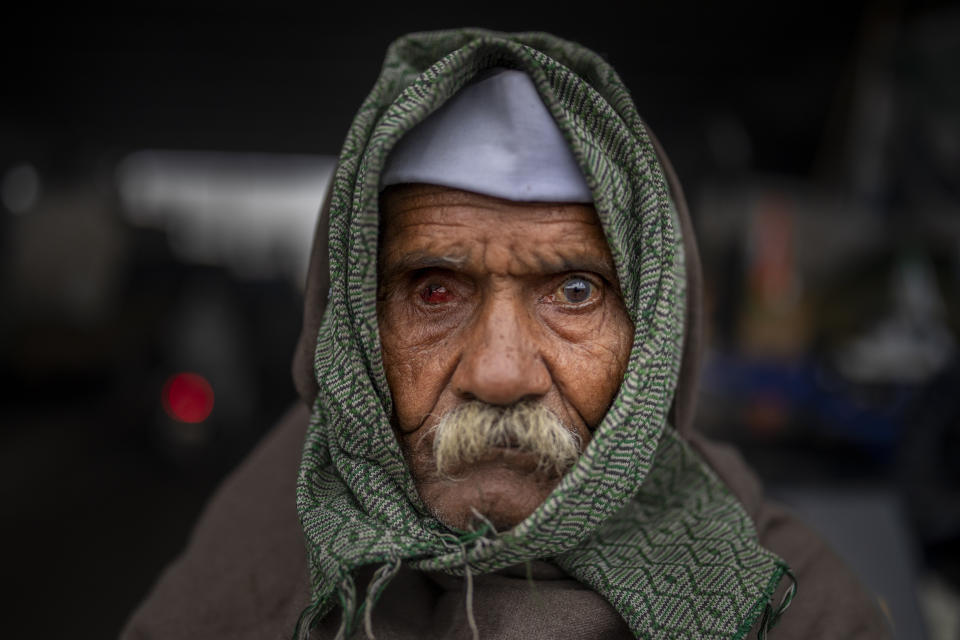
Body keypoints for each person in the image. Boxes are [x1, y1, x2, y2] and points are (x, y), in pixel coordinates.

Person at [122, 29, 891, 639]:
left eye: (575, 291)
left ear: (653, 336)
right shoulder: (274, 514)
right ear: (356, 325)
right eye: (434, 290)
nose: (498, 374)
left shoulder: (777, 592)